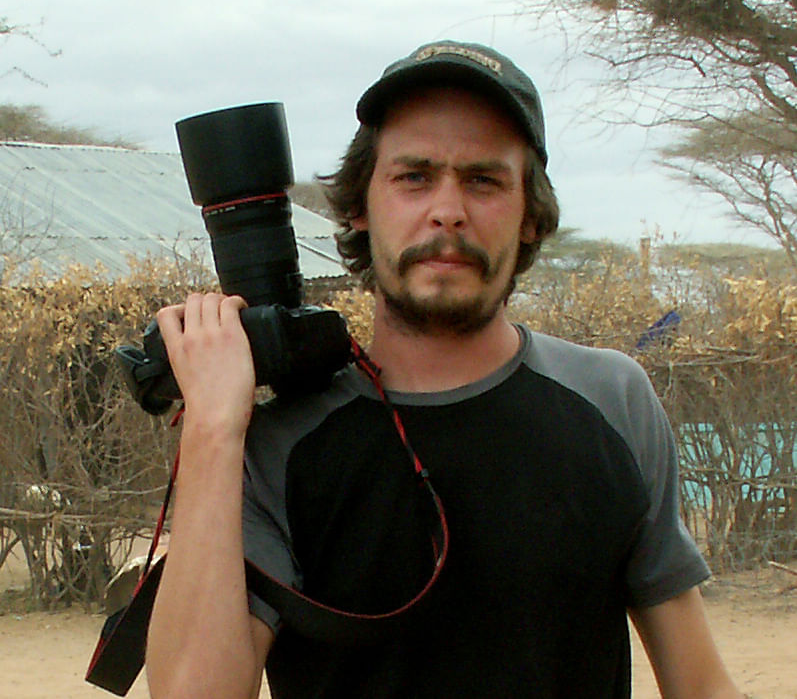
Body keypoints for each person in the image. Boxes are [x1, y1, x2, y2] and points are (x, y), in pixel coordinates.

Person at [146, 41, 741, 698]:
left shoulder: (610, 398)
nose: (448, 209)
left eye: (483, 179)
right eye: (414, 176)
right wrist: (211, 427)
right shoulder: (278, 438)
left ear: (530, 217)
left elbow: (700, 683)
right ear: (358, 207)